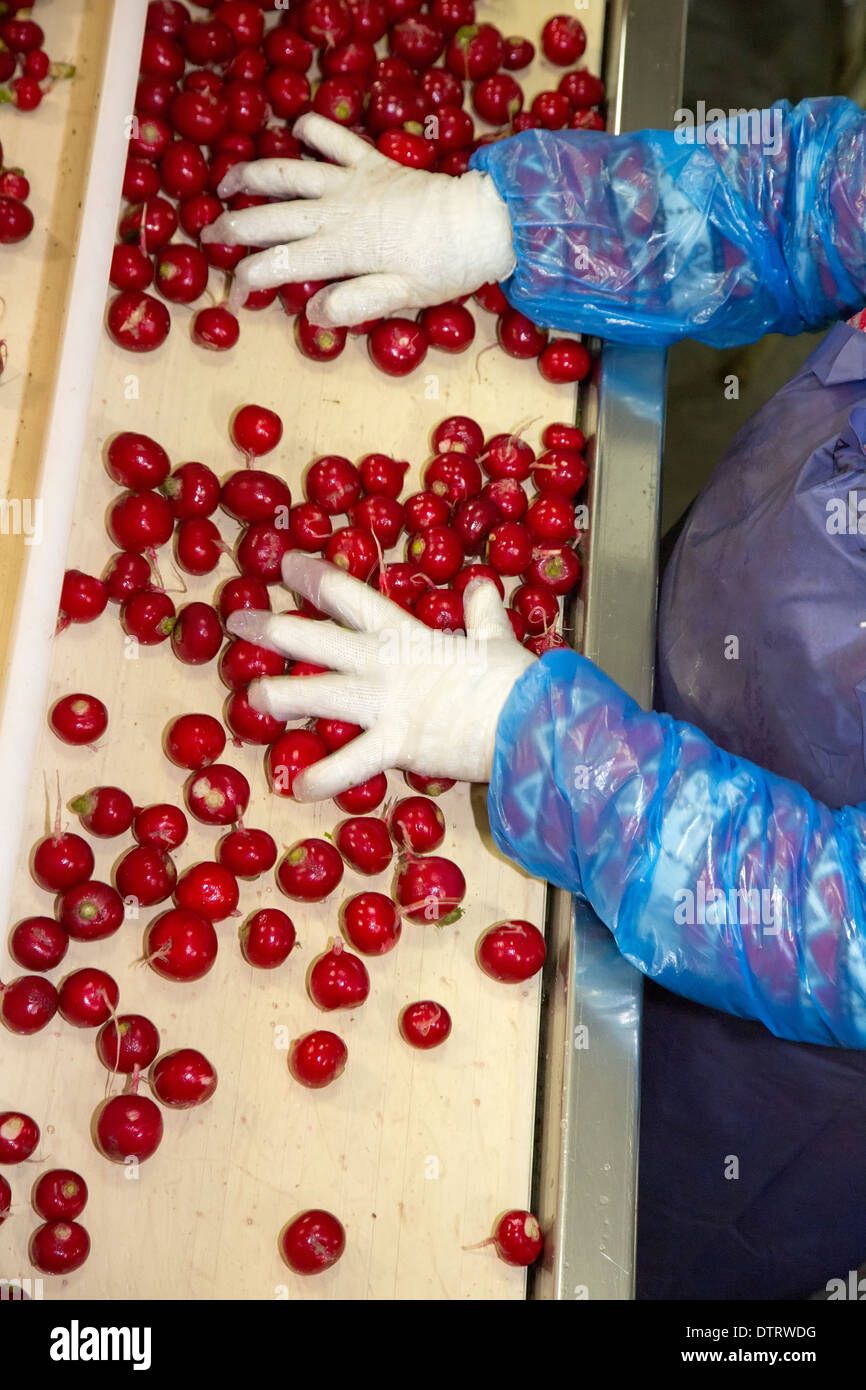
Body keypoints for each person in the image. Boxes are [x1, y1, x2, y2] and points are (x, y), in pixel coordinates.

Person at [211, 100, 866, 1299]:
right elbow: (783, 204)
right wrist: (506, 217)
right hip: (662, 688)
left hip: (773, 1077)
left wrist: (541, 751)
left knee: (604, 1202)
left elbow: (843, 929)